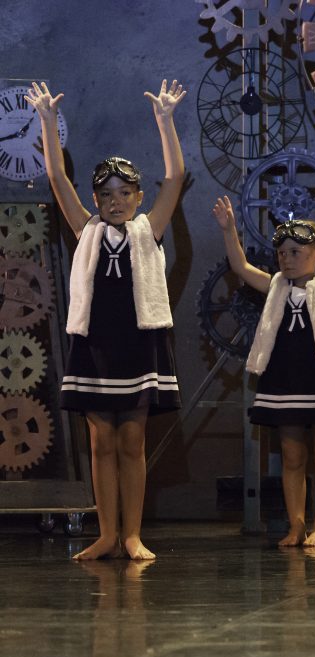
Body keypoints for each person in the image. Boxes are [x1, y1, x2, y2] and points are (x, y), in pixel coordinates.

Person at [26, 80, 186, 560]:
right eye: (106, 194)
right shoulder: (86, 229)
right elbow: (57, 177)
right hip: (95, 345)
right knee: (100, 444)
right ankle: (107, 534)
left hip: (138, 344)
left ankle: (132, 535)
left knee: (132, 442)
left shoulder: (149, 229)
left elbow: (176, 176)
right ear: (95, 200)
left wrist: (165, 121)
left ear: (138, 197)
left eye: (125, 193)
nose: (116, 202)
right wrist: (47, 122)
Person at [213, 199, 315, 547]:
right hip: (284, 379)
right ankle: (296, 525)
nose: (287, 259)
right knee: (292, 456)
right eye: (282, 253)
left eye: (296, 252)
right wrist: (229, 230)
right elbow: (240, 266)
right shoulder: (274, 286)